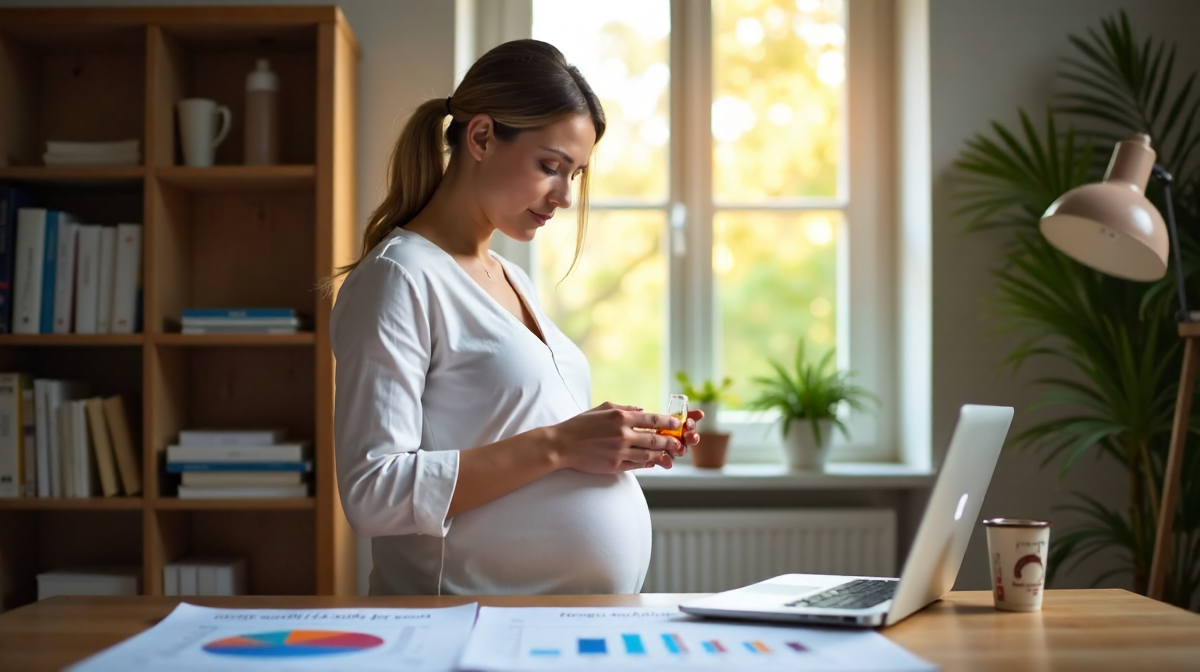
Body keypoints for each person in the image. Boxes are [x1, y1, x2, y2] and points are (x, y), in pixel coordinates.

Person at [329, 39, 703, 596]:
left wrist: (611, 441)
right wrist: (561, 445)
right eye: (551, 166)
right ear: (481, 137)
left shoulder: (510, 276)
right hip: (461, 623)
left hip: (544, 626)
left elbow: (519, 435)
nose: (565, 197)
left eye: (574, 174)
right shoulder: (400, 276)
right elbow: (372, 491)